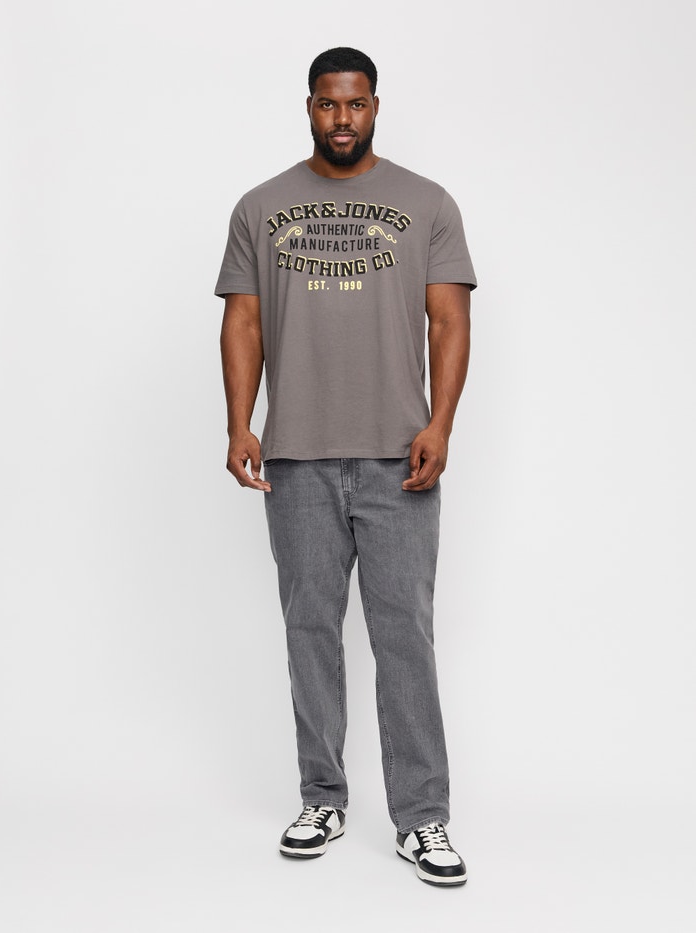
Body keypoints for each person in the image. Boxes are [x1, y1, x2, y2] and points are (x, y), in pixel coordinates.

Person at [214, 47, 477, 887]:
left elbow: (449, 320)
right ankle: (321, 797)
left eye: (355, 104)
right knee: (310, 631)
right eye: (328, 104)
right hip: (297, 456)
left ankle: (422, 816)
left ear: (375, 107)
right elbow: (244, 321)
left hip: (399, 458)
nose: (342, 119)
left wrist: (440, 423)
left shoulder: (427, 203)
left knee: (405, 636)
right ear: (308, 107)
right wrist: (239, 423)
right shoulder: (261, 206)